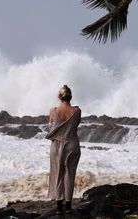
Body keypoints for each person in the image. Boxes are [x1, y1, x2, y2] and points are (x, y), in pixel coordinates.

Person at [46, 85, 81, 215]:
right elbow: (75, 125)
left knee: (57, 174)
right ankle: (68, 207)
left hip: (57, 145)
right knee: (69, 175)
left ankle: (59, 207)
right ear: (71, 97)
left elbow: (52, 126)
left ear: (59, 97)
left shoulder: (53, 110)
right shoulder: (77, 111)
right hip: (72, 144)